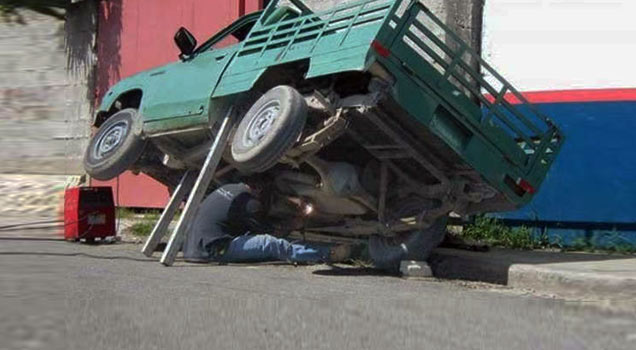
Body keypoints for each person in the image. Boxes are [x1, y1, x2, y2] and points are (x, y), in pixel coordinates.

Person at [183, 182, 350, 264]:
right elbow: (271, 233)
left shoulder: (231, 188)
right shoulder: (250, 204)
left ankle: (319, 251)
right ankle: (327, 254)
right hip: (213, 250)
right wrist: (293, 224)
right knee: (269, 244)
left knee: (262, 241)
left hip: (195, 246)